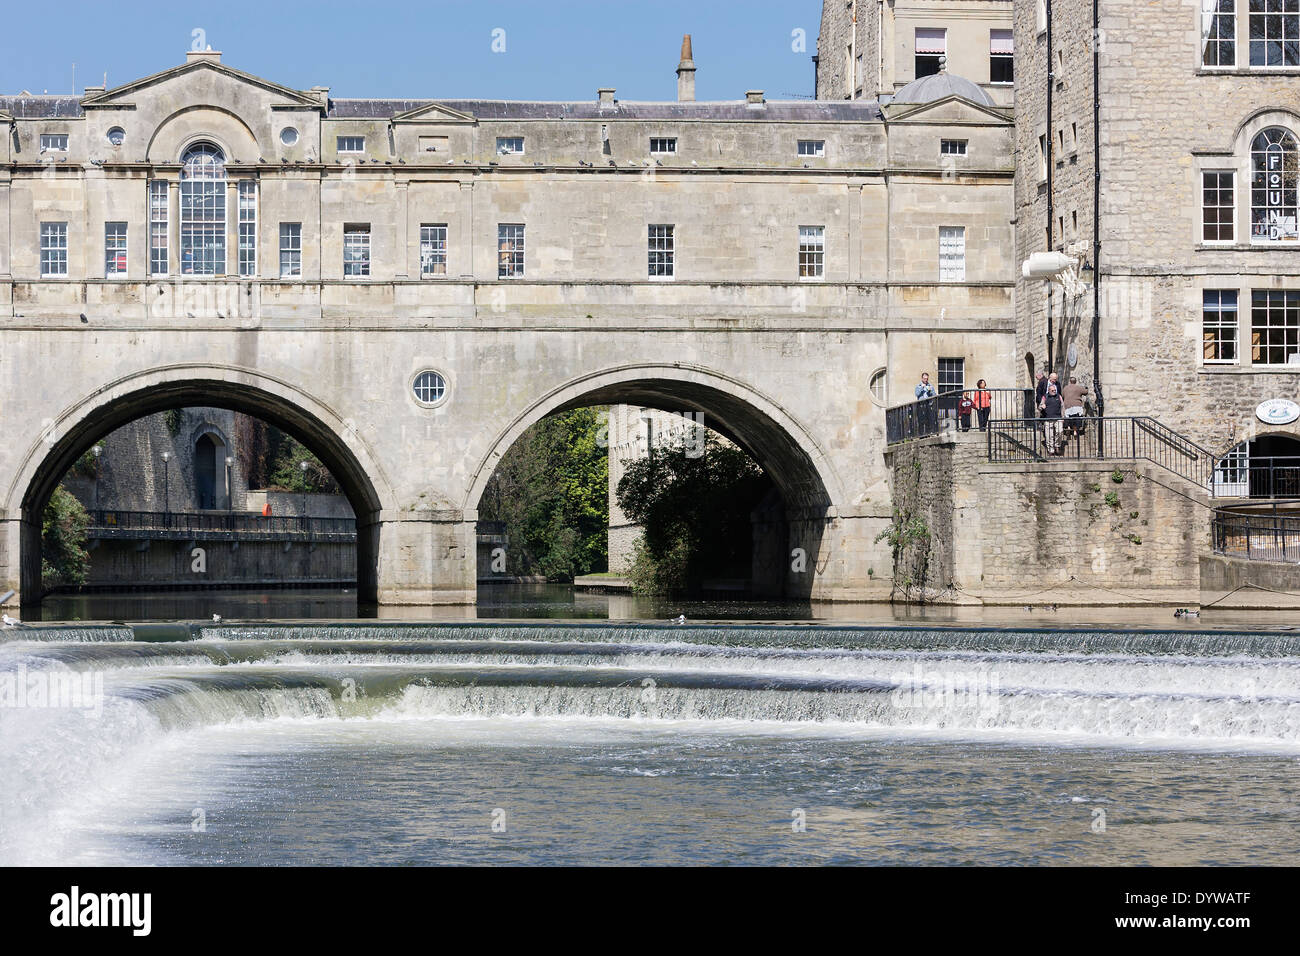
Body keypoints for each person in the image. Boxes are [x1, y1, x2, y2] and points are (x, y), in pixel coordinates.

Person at [1042, 383, 1064, 455]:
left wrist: (1063, 417)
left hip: (1058, 417)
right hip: (1048, 418)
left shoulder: (1059, 396)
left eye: (1055, 390)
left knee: (1060, 431)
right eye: (1052, 390)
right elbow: (1039, 407)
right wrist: (1042, 406)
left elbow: (1063, 407)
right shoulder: (1045, 397)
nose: (1054, 391)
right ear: (1049, 390)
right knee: (1049, 435)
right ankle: (1051, 449)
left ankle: (1057, 445)